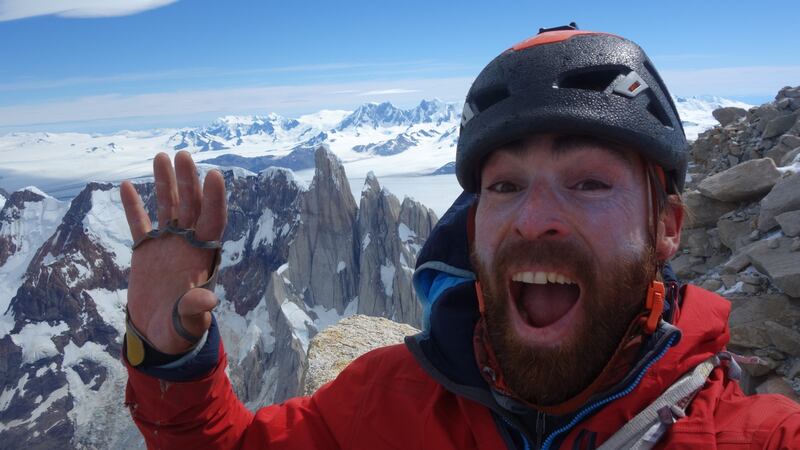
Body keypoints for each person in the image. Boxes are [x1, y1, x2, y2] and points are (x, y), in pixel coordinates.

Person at [121, 24, 800, 449]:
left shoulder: (756, 436)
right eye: (504, 187)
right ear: (472, 225)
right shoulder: (384, 402)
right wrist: (168, 360)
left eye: (589, 183)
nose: (535, 218)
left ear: (667, 228)